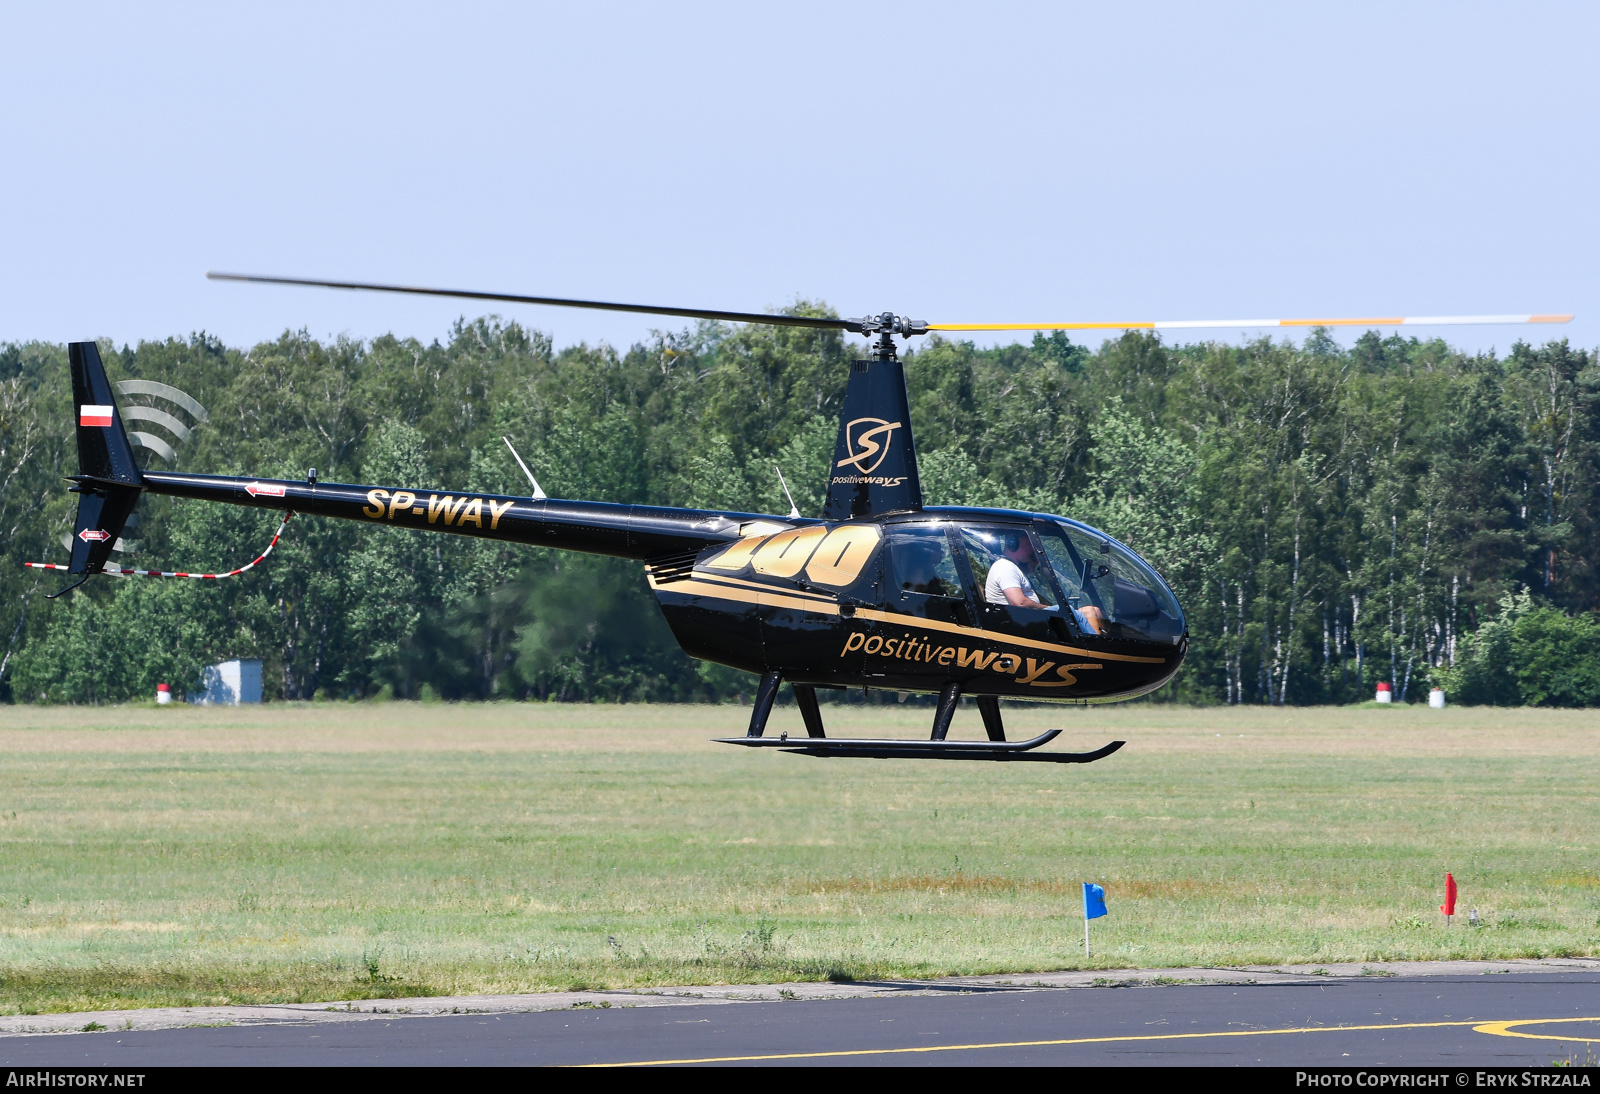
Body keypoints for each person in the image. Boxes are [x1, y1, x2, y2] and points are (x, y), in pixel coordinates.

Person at [984, 531, 1106, 634]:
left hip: (1028, 619)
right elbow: (1020, 603)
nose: (1033, 549)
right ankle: (1098, 653)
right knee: (1073, 614)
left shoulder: (1012, 567)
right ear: (1012, 543)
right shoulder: (1004, 567)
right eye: (1029, 544)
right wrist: (1048, 608)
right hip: (1020, 623)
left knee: (1092, 611)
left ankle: (1104, 647)